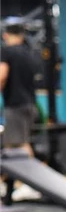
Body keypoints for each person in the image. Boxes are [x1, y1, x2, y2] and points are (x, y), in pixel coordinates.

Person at [0, 20, 42, 201]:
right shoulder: (28, 53)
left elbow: (2, 76)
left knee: (20, 145)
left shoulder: (7, 52)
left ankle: (31, 184)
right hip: (30, 105)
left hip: (16, 105)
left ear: (5, 35)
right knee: (11, 145)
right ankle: (4, 184)